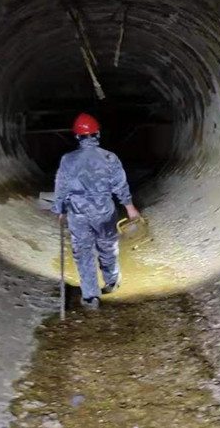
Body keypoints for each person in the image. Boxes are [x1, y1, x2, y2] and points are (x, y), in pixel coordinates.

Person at [51, 113, 141, 310]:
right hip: (104, 212)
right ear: (97, 134)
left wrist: (60, 210)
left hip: (79, 213)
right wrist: (130, 208)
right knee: (107, 247)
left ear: (77, 136)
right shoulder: (109, 158)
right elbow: (120, 185)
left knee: (83, 253)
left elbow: (62, 187)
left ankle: (91, 296)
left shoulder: (68, 160)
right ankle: (112, 281)